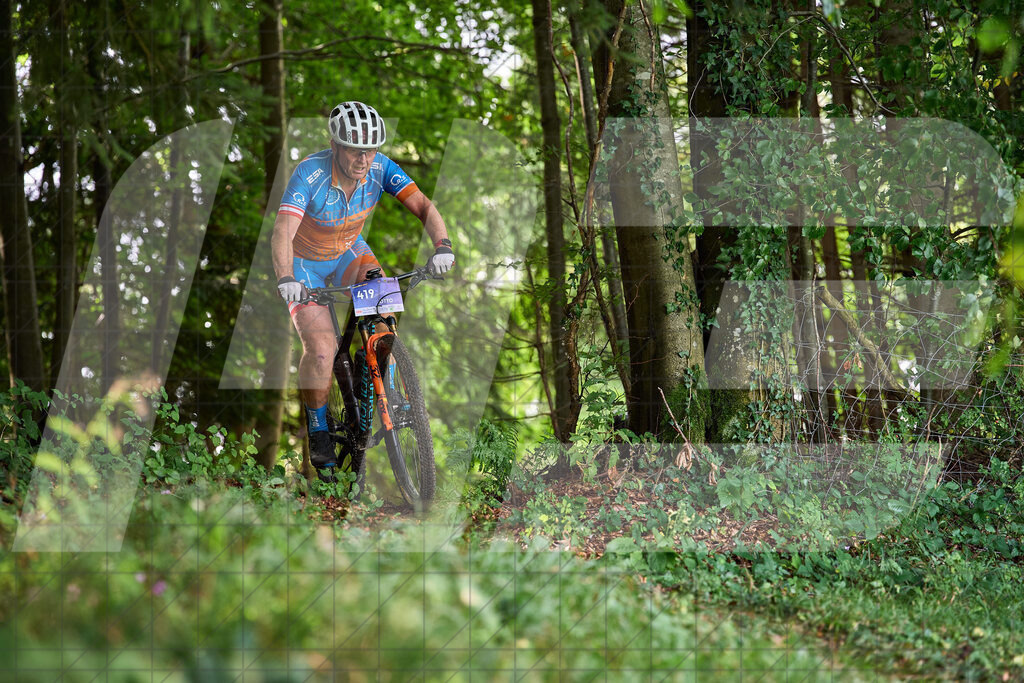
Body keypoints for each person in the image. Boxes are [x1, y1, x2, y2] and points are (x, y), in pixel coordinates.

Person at [271, 101, 454, 479]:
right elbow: (283, 231)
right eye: (355, 149)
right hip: (305, 264)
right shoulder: (310, 173)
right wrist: (287, 278)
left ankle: (375, 366)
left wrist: (443, 246)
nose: (363, 158)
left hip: (349, 253)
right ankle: (319, 426)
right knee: (321, 351)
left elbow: (422, 205)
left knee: (385, 305)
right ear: (336, 145)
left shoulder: (382, 168)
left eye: (370, 149)